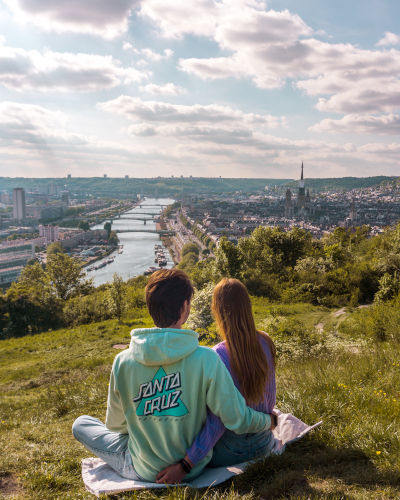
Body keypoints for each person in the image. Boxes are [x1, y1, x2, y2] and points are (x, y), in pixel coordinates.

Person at [72, 269, 276, 484]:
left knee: (81, 424)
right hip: (193, 468)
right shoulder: (207, 358)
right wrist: (269, 420)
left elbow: (116, 426)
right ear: (186, 307)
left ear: (150, 306)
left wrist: (149, 420)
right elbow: (235, 418)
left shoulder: (122, 361)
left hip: (141, 466)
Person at [157, 278, 276, 483]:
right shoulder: (265, 341)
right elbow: (270, 400)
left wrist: (185, 465)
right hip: (264, 443)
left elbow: (217, 423)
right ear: (247, 306)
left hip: (229, 452)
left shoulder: (217, 355)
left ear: (218, 311)